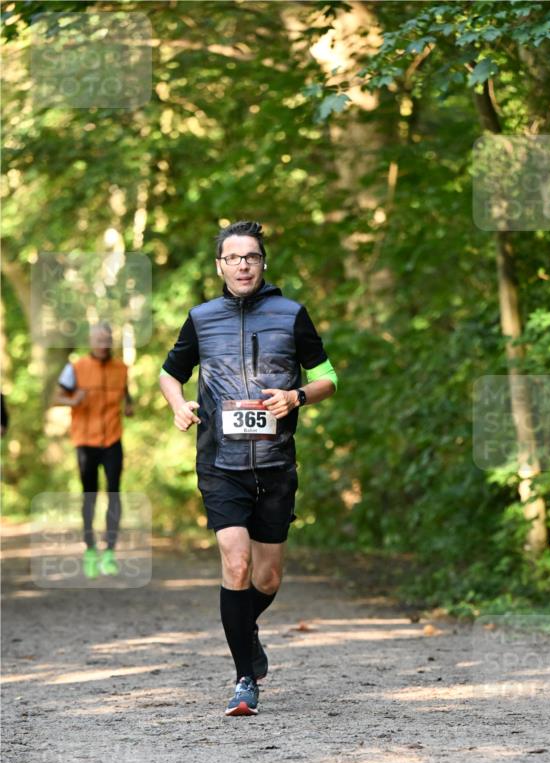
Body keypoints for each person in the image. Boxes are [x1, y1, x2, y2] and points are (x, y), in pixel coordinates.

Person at [159, 220, 337, 717]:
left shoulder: (291, 314)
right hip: (220, 461)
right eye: (233, 258)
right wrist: (178, 406)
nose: (243, 265)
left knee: (267, 578)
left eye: (251, 257)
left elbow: (328, 377)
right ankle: (244, 678)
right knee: (234, 563)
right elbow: (170, 375)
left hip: (276, 462)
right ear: (220, 266)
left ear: (263, 263)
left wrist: (297, 394)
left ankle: (245, 630)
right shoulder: (201, 318)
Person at [52, 321, 133, 578]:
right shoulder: (75, 368)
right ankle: (90, 551)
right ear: (91, 342)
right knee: (90, 495)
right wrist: (72, 399)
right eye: (98, 340)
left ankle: (109, 553)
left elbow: (126, 394)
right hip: (85, 441)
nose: (103, 344)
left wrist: (129, 406)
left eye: (107, 339)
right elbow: (56, 397)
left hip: (112, 439)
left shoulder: (121, 367)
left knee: (114, 493)